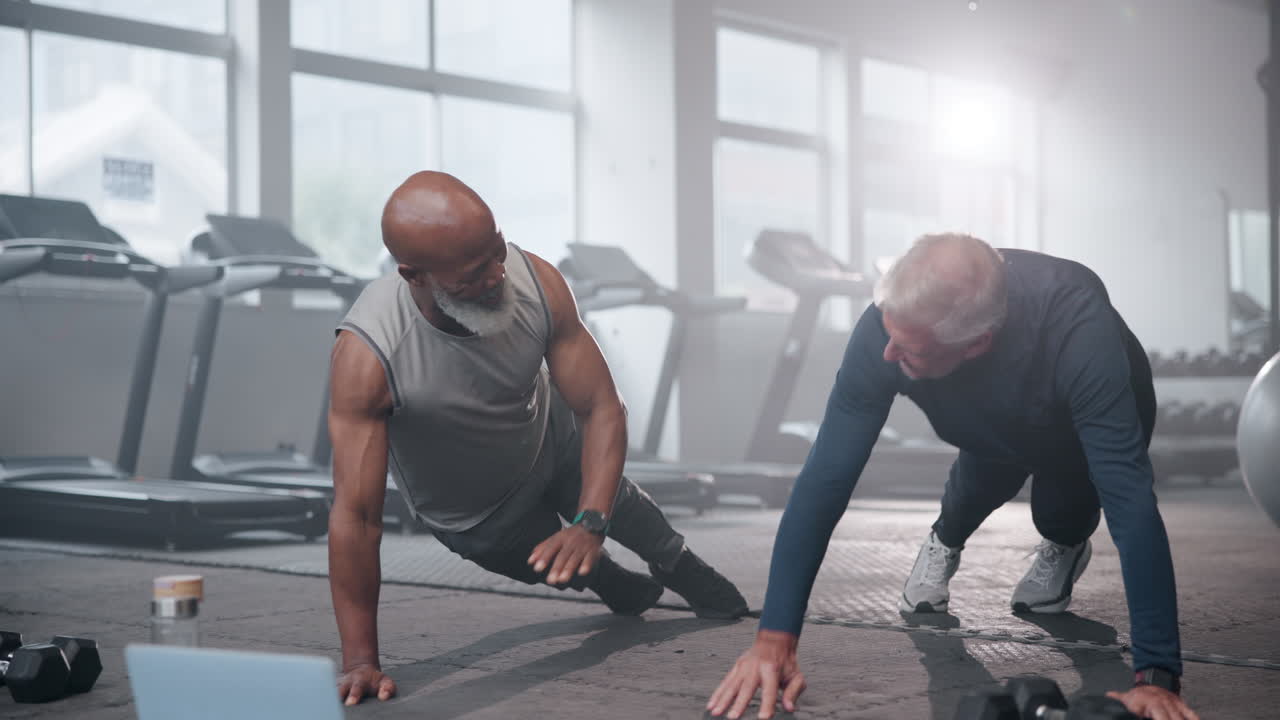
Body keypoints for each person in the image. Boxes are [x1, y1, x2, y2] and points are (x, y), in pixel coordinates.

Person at [707, 234, 1199, 720]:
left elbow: (1129, 499)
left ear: (976, 343)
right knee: (976, 482)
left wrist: (1156, 677)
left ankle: (1065, 544)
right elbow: (826, 479)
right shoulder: (888, 330)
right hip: (983, 411)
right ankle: (945, 535)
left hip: (1073, 421)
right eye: (888, 333)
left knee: (1061, 513)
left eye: (909, 349)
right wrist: (774, 638)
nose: (887, 355)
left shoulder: (1077, 328)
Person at [328, 171, 748, 706]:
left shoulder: (538, 283)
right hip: (475, 511)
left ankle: (680, 564)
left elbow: (600, 408)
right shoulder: (368, 356)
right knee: (560, 566)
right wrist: (360, 660)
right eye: (474, 272)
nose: (498, 274)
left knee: (627, 511)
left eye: (498, 249)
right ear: (414, 275)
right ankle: (606, 579)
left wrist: (591, 520)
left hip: (549, 440)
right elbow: (356, 518)